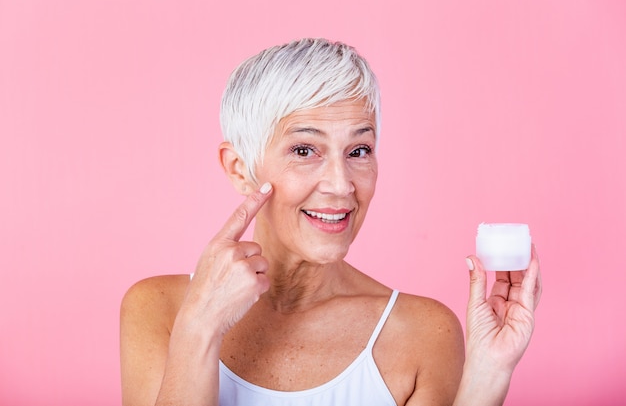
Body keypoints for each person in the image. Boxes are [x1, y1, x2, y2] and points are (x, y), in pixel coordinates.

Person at [120, 38, 542, 406]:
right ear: (239, 168)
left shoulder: (424, 333)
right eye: (305, 150)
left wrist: (489, 376)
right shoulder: (159, 309)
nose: (342, 186)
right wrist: (199, 328)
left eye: (359, 150)